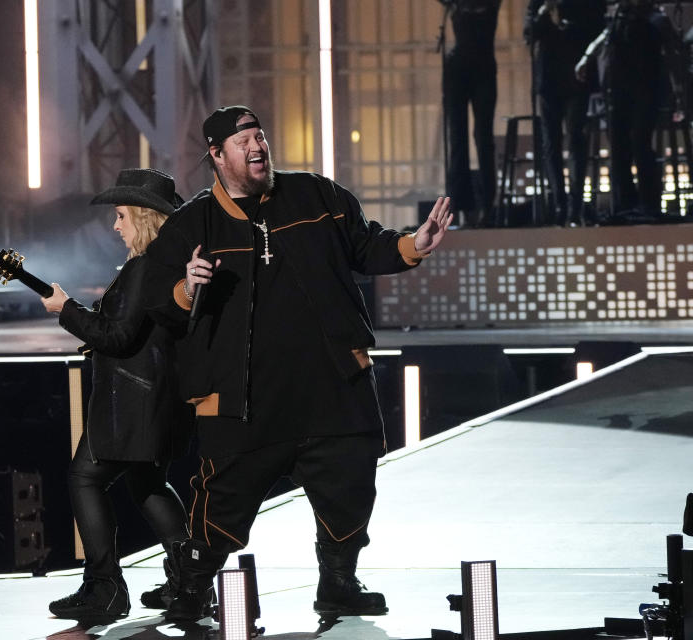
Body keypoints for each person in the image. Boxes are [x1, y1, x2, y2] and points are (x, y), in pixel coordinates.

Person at [144, 106, 453, 621]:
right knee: (221, 498)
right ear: (217, 156)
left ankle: (338, 582)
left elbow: (365, 244)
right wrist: (186, 286)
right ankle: (192, 589)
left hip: (331, 384)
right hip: (243, 396)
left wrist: (412, 245)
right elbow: (158, 298)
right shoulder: (192, 223)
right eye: (242, 141)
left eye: (260, 136)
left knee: (349, 485)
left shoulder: (317, 194)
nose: (257, 146)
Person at [42, 169, 193, 620]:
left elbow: (121, 336)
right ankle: (191, 582)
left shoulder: (146, 268)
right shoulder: (162, 266)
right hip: (153, 402)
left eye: (122, 215)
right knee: (147, 485)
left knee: (83, 477)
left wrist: (66, 310)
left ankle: (104, 586)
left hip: (132, 406)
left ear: (145, 217)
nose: (115, 225)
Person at [575, 0, 686, 219]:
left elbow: (674, 53)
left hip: (645, 91)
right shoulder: (620, 17)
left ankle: (648, 203)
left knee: (640, 145)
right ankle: (625, 204)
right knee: (619, 148)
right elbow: (604, 38)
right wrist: (587, 57)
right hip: (617, 92)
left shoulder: (656, 19)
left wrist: (679, 89)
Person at [525, 0, 607, 227]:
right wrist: (544, 12)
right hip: (548, 80)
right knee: (551, 144)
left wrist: (566, 22)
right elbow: (529, 34)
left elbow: (596, 29)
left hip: (575, 79)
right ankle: (559, 203)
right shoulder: (537, 4)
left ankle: (576, 206)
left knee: (576, 140)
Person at [438, 0, 502, 227]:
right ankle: (464, 207)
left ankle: (487, 206)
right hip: (458, 69)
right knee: (458, 138)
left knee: (483, 138)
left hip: (483, 68)